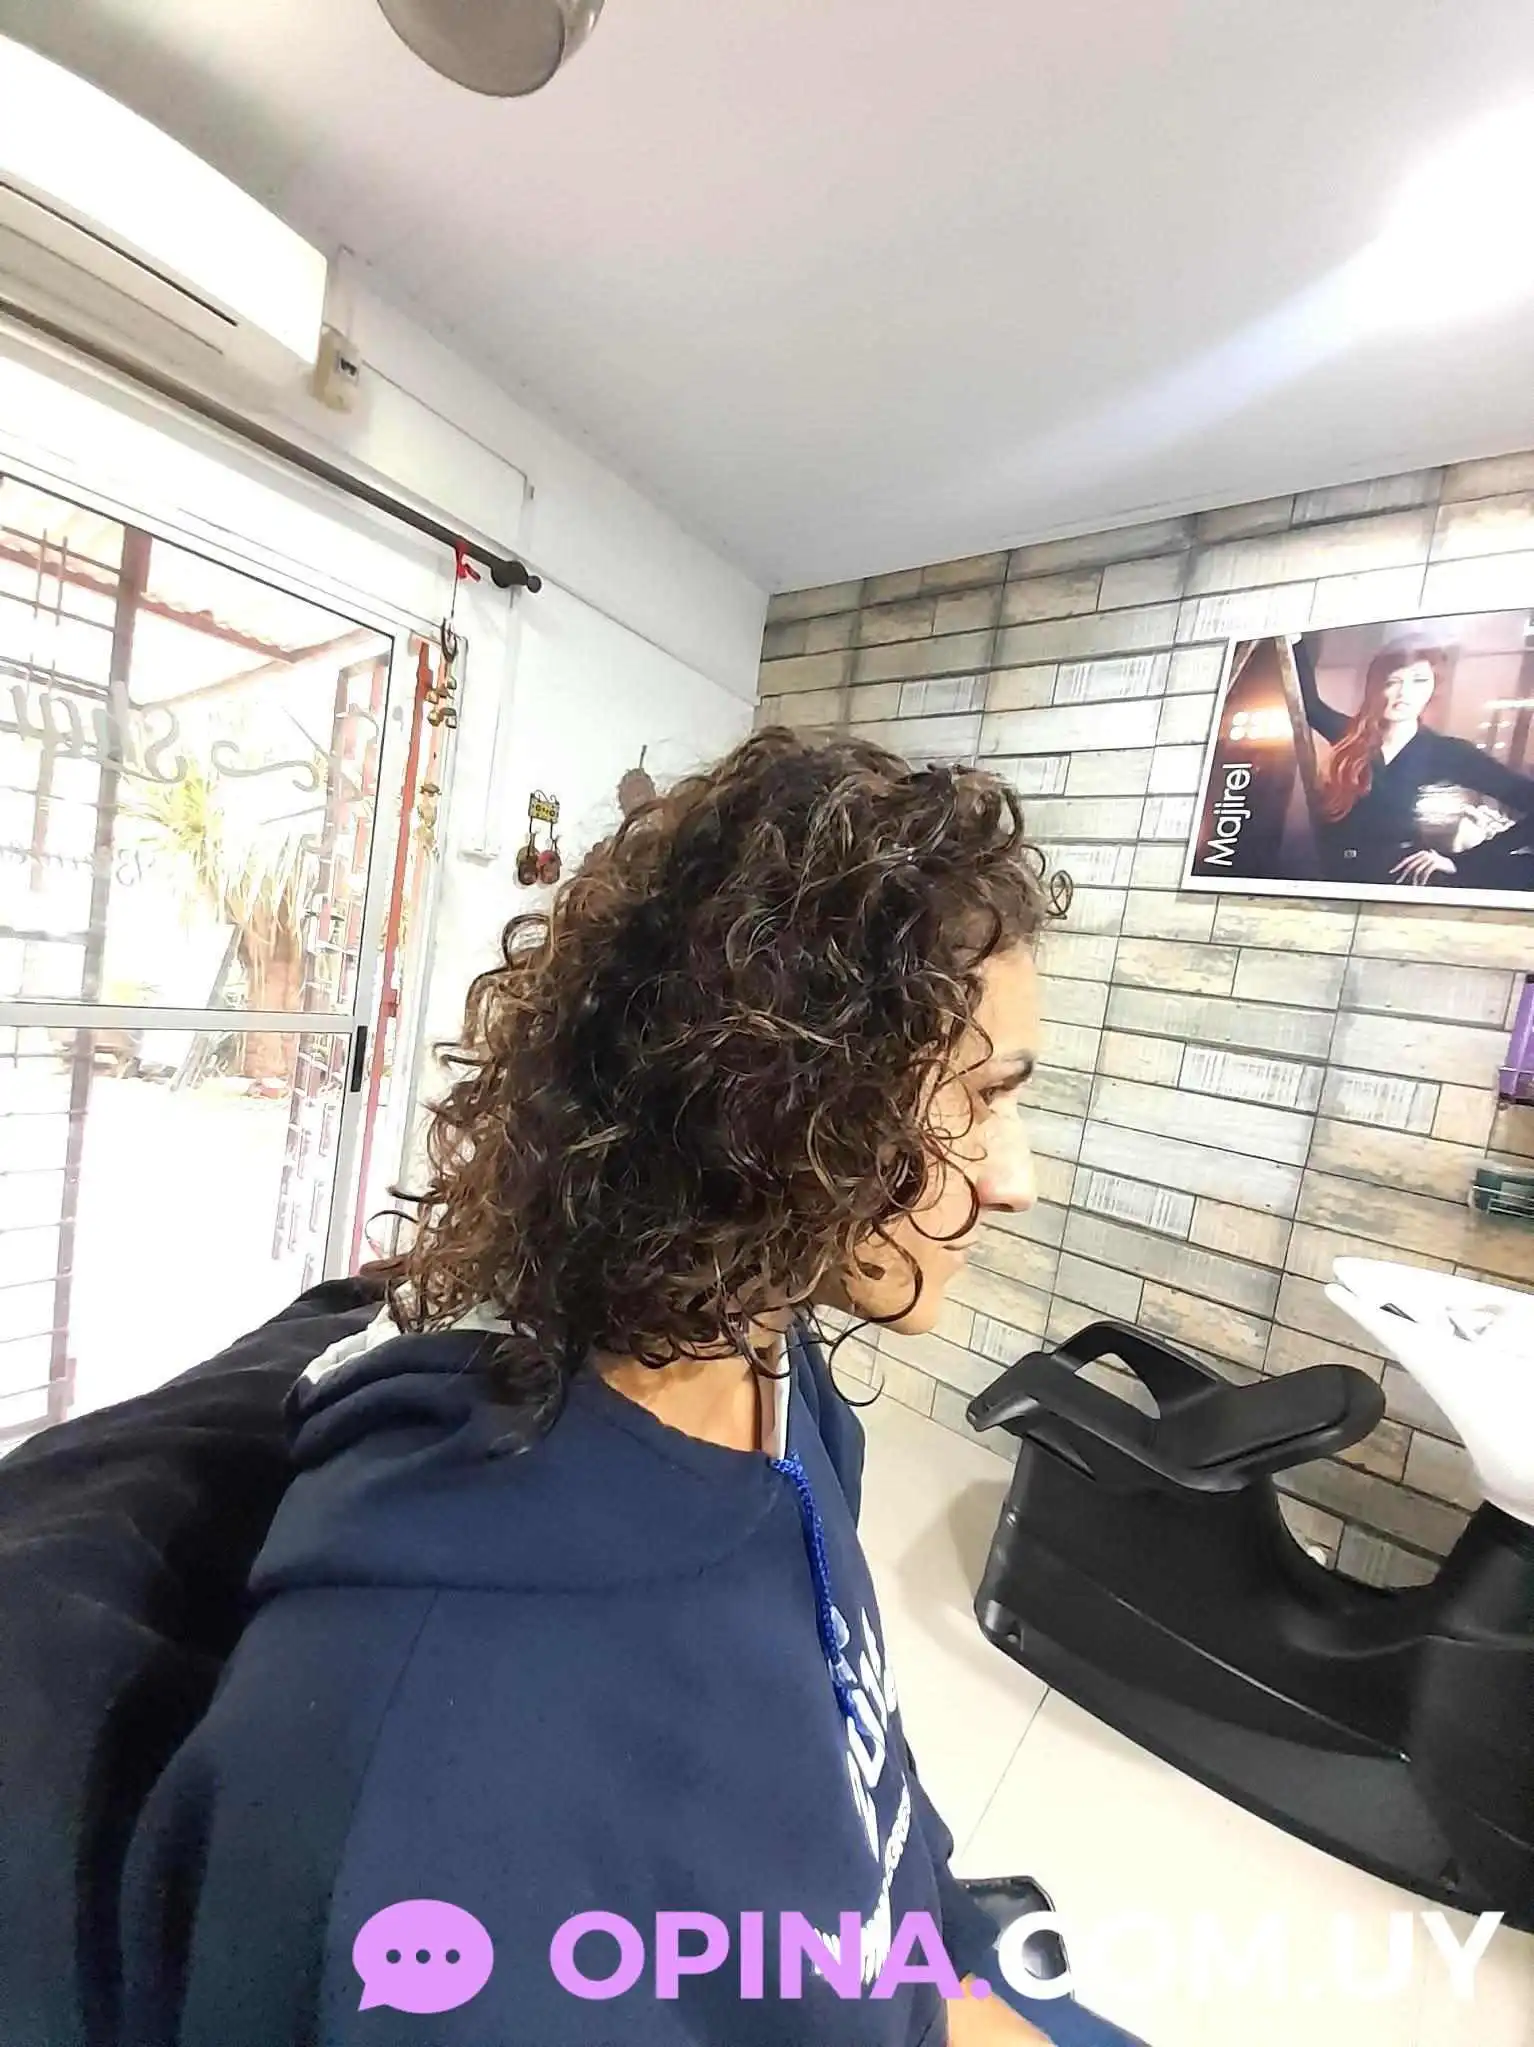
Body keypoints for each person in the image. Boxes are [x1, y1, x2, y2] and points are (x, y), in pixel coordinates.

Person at [106, 728, 1143, 2047]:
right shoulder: (423, 1733)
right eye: (980, 1099)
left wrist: (950, 1979)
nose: (1017, 1180)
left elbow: (856, 1776)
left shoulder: (774, 1364)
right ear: (774, 1098)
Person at [1294, 636, 1534, 886]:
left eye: (1419, 680)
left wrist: (1463, 862)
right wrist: (1295, 641)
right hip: (1341, 880)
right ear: (1375, 686)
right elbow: (1309, 705)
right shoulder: (1353, 736)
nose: (1404, 693)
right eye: (1393, 681)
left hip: (1406, 885)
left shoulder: (1449, 753)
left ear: (1433, 688)